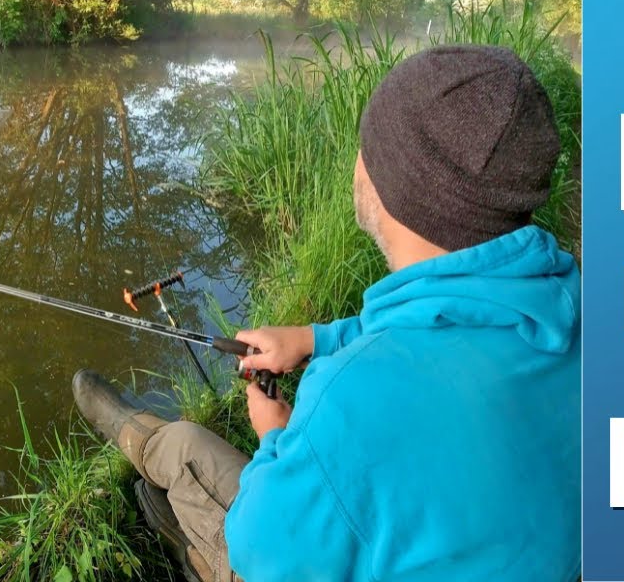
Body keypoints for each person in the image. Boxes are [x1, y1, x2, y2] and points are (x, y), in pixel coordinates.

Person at [73, 45, 581, 581]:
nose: (358, 162)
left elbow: (260, 549)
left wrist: (275, 437)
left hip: (277, 548)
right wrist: (316, 339)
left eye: (369, 147)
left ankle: (142, 446)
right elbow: (450, 330)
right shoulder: (581, 310)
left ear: (399, 189)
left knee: (185, 449)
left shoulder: (348, 405)